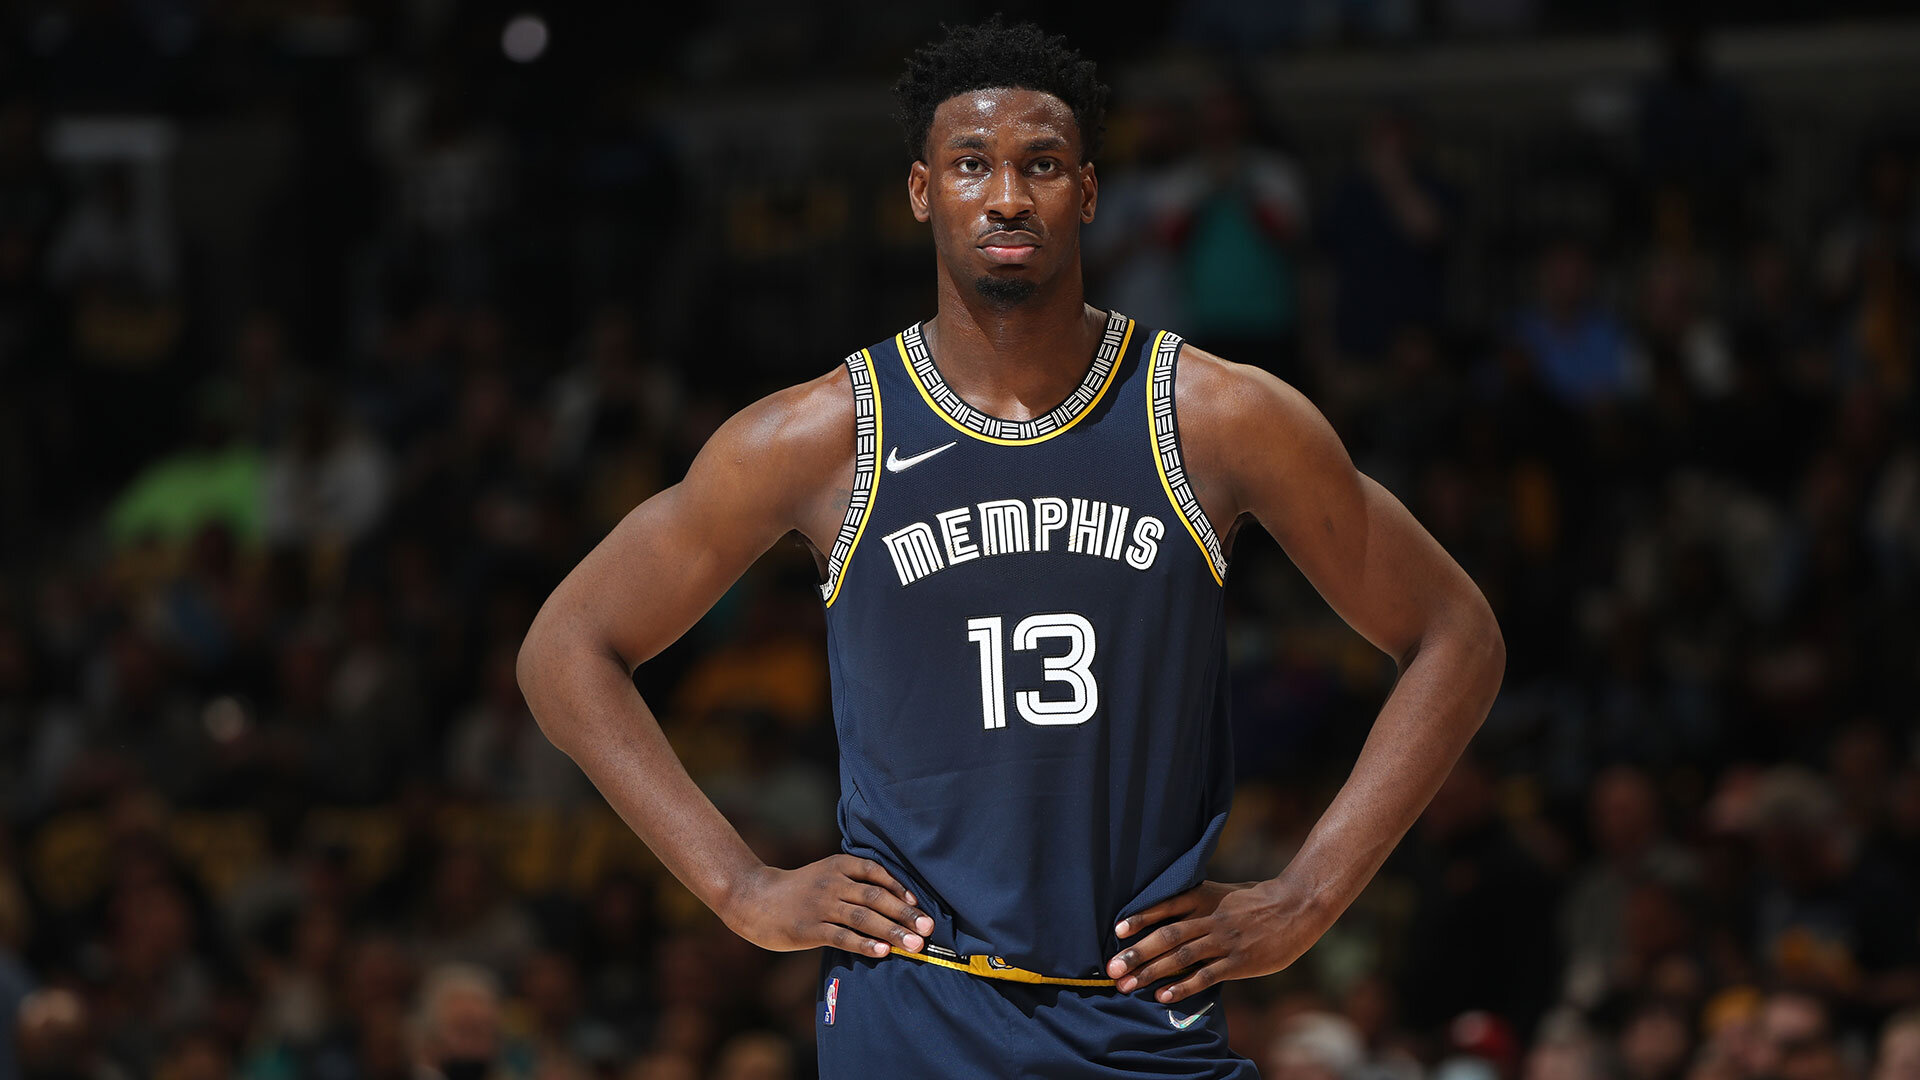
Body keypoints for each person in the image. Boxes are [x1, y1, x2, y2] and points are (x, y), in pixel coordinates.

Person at [516, 18, 1504, 1078]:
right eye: (971, 164)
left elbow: (1456, 635)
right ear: (919, 191)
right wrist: (738, 887)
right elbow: (565, 649)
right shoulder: (821, 435)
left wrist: (1310, 895)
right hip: (917, 1013)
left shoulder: (1216, 417)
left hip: (1142, 1014)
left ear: (1086, 192)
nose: (1005, 195)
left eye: (1041, 165)